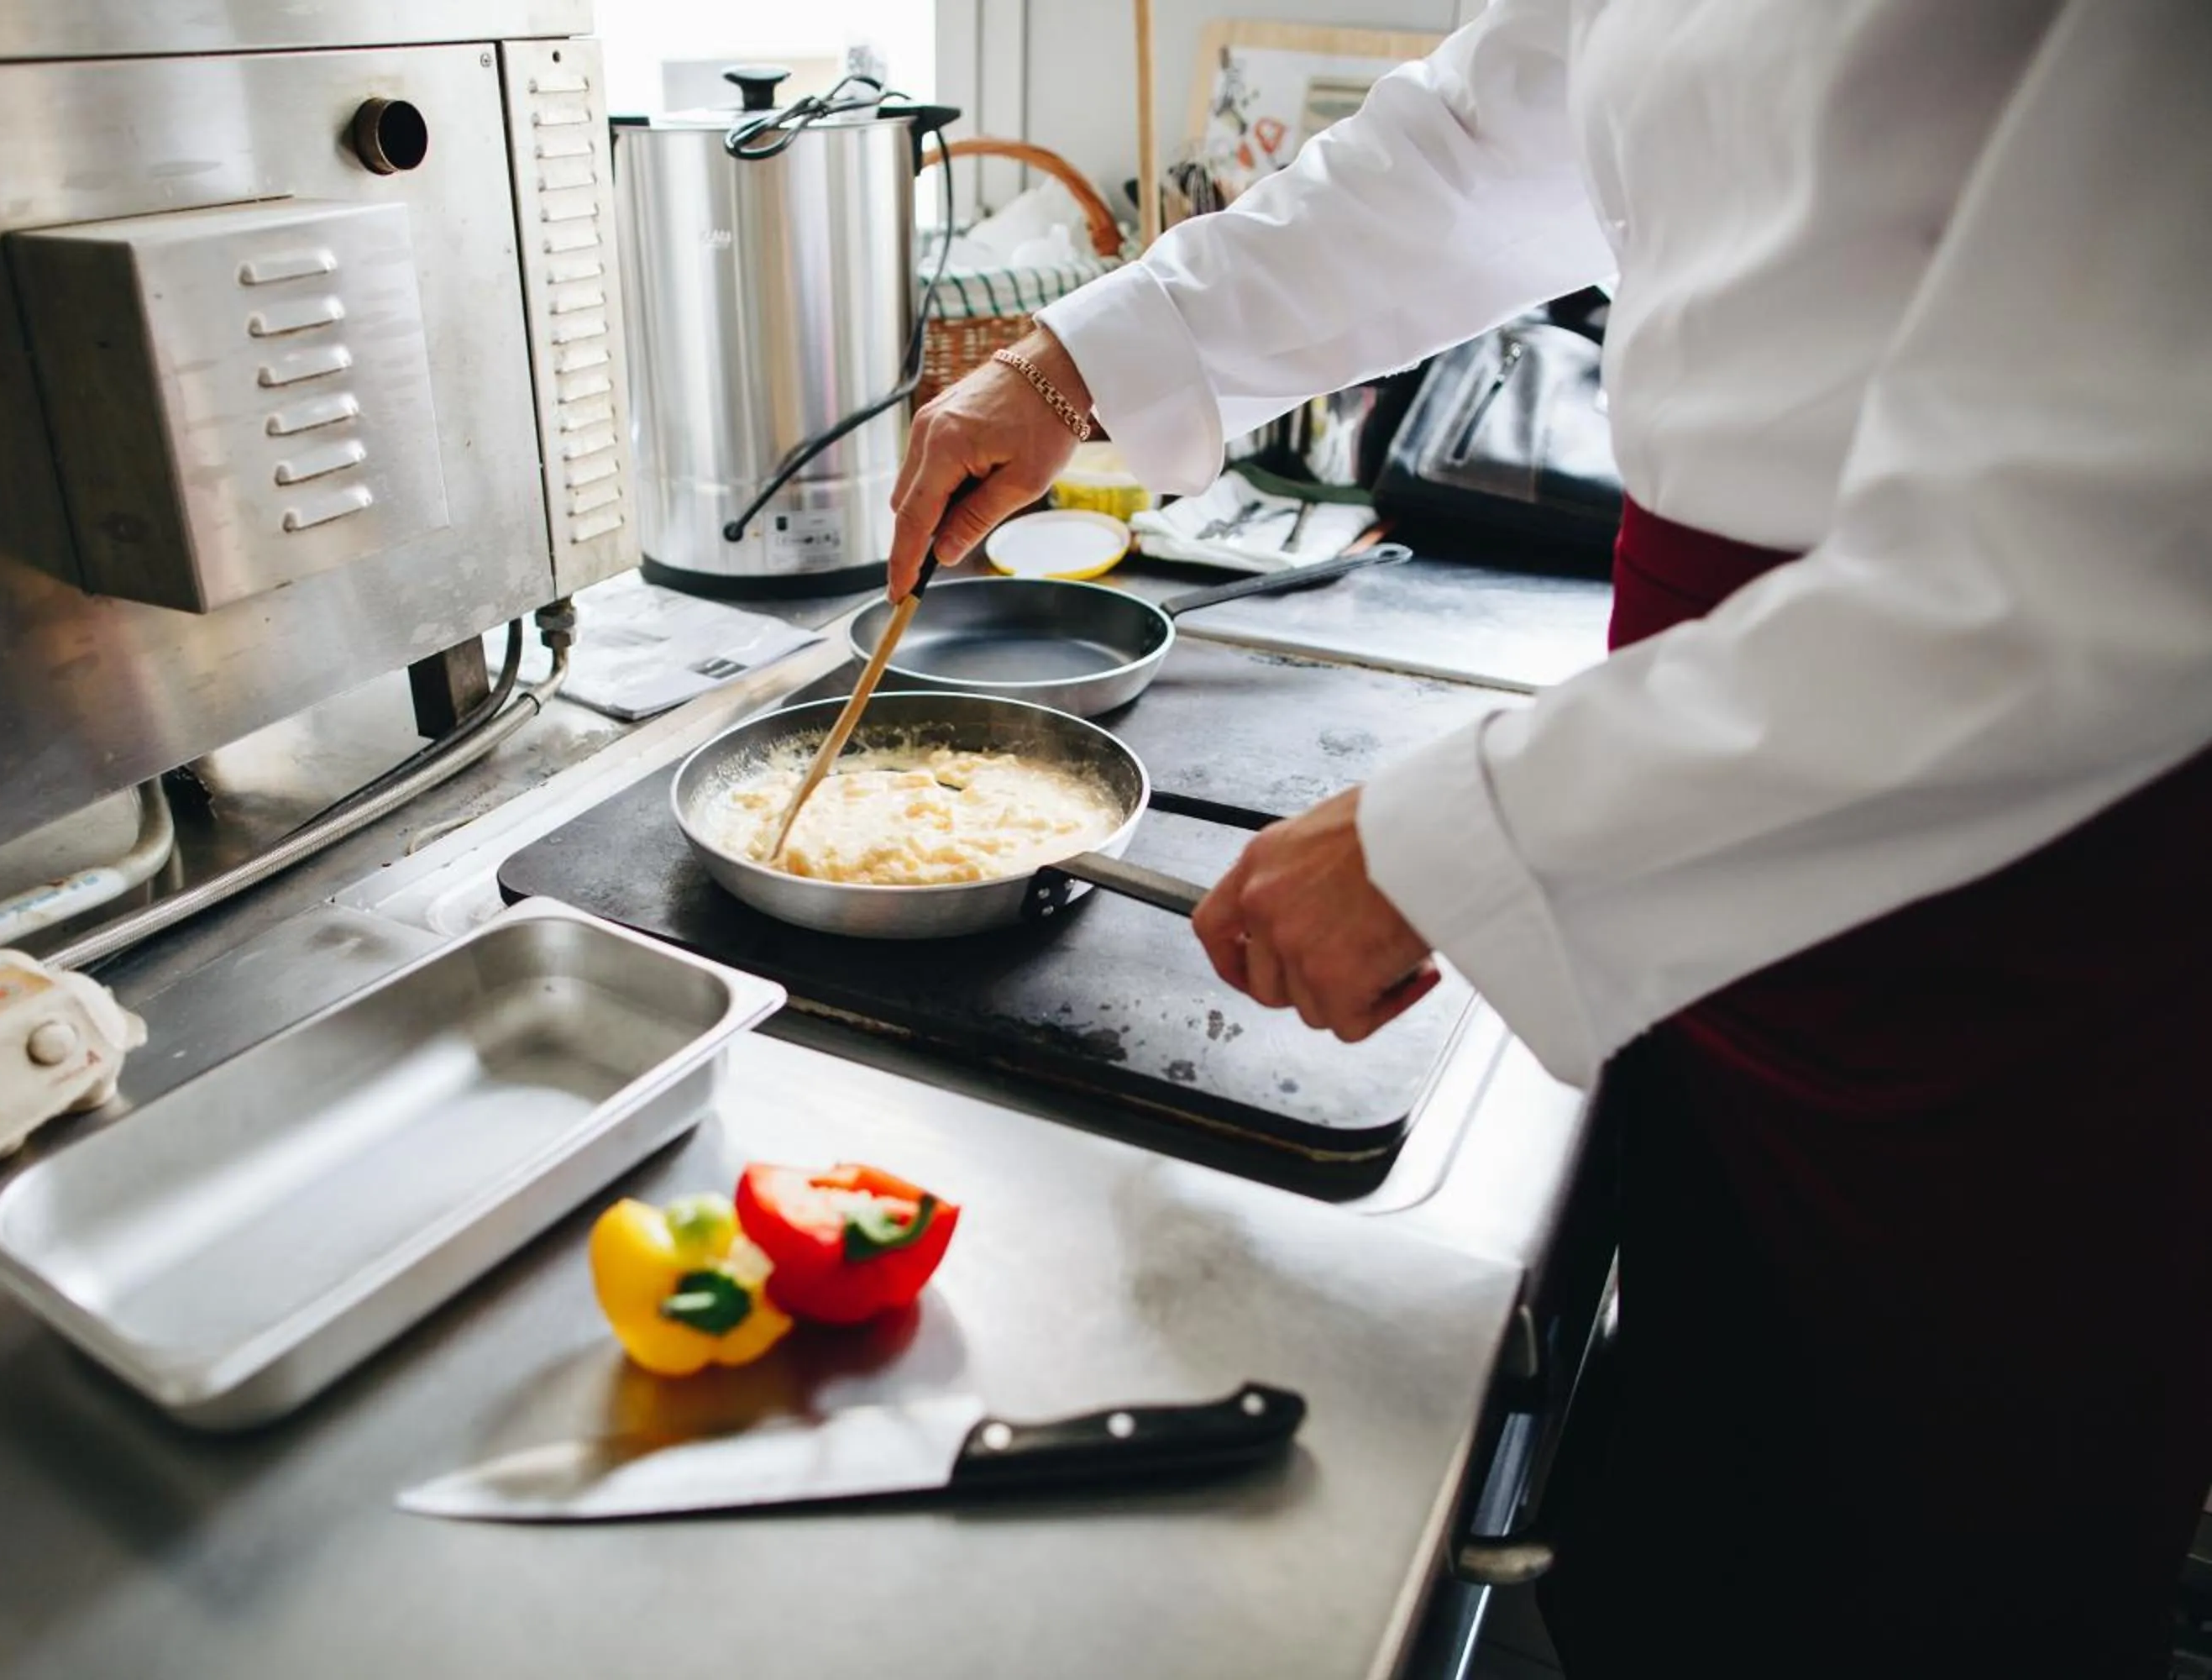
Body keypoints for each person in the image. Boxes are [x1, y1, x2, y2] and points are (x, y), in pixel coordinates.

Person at [885, 3, 2212, 1674]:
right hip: (1710, 789)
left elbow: (2084, 568)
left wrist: (1462, 834)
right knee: (1725, 1509)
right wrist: (1074, 361)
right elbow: (1479, 143)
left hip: (1999, 862)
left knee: (1944, 1547)